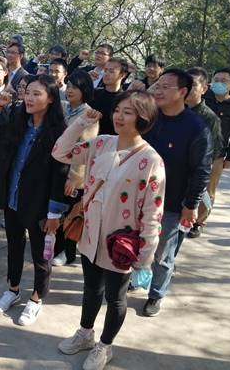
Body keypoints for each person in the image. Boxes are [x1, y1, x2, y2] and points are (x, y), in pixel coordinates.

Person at [53, 90, 164, 370]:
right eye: (117, 110)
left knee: (115, 298)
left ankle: (105, 346)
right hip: (91, 235)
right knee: (92, 288)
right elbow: (60, 152)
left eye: (128, 112)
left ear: (144, 118)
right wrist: (81, 123)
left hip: (121, 245)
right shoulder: (101, 143)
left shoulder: (151, 160)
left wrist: (145, 257)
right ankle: (85, 333)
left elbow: (153, 213)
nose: (119, 116)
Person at [0, 75, 69, 325]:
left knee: (41, 255)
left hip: (40, 206)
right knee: (13, 246)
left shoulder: (59, 133)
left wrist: (54, 213)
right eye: (28, 93)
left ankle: (36, 298)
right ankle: (12, 289)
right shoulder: (18, 121)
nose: (29, 98)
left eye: (37, 94)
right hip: (13, 198)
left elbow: (60, 175)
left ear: (51, 98)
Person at [143, 68, 212, 317]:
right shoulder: (149, 118)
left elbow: (202, 170)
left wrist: (190, 205)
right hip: (141, 197)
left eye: (165, 87)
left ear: (183, 92)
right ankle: (135, 279)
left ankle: (156, 294)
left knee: (163, 253)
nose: (158, 91)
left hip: (172, 202)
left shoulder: (196, 127)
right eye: (157, 86)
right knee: (138, 243)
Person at [52, 69, 99, 267]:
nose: (70, 90)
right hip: (56, 166)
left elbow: (84, 150)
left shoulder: (89, 115)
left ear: (85, 90)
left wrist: (74, 178)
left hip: (72, 172)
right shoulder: (63, 107)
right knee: (56, 210)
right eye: (69, 86)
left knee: (71, 214)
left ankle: (68, 252)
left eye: (75, 87)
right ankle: (55, 246)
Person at [185, 67, 224, 238]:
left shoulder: (209, 118)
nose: (188, 88)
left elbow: (213, 150)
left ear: (204, 88)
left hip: (193, 170)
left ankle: (198, 223)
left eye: (193, 85)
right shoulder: (173, 109)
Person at [204, 67, 230, 210]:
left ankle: (200, 220)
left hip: (217, 155)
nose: (218, 83)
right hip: (193, 149)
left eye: (223, 81)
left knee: (209, 191)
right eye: (216, 80)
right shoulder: (203, 97)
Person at [89, 57, 128, 135]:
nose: (106, 74)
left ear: (122, 75)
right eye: (105, 70)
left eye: (111, 71)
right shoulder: (94, 93)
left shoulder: (125, 100)